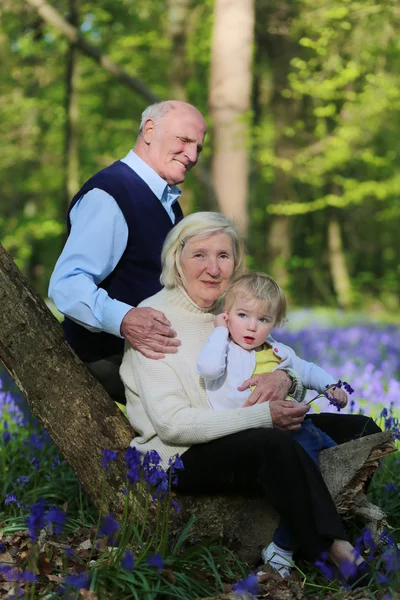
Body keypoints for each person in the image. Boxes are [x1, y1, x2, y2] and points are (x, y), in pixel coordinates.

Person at [121, 211, 380, 588]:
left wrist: (284, 378)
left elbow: (277, 364)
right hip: (181, 455)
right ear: (177, 259)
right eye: (200, 255)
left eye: (223, 256)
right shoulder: (153, 321)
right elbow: (172, 424)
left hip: (242, 428)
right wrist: (262, 416)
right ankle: (338, 553)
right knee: (274, 444)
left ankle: (294, 535)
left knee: (361, 430)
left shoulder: (235, 311)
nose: (213, 268)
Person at [49, 101, 207, 403]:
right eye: (184, 141)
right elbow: (67, 284)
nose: (192, 155)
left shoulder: (167, 201)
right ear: (149, 130)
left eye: (198, 147)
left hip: (159, 356)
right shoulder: (111, 194)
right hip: (111, 355)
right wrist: (125, 319)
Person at [196, 271, 350, 577]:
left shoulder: (279, 351)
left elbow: (306, 371)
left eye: (263, 319)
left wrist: (331, 386)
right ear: (227, 316)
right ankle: (282, 546)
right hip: (259, 438)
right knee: (312, 474)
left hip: (296, 427)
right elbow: (208, 369)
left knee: (340, 466)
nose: (252, 326)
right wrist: (218, 331)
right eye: (242, 315)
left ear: (276, 323)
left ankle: (355, 525)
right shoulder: (224, 348)